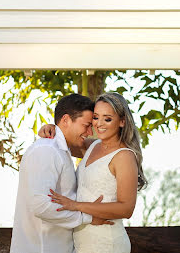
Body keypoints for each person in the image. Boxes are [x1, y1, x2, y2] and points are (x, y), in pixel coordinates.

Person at [39, 92, 147, 253]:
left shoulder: (124, 156)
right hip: (82, 242)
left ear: (122, 121)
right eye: (96, 117)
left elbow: (126, 209)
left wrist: (75, 206)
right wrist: (53, 127)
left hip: (107, 243)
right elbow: (66, 138)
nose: (99, 124)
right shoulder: (92, 146)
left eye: (107, 118)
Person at [10, 93, 112, 253]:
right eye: (86, 125)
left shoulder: (60, 150)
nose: (89, 131)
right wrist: (88, 218)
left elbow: (101, 148)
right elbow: (41, 206)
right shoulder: (47, 150)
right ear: (66, 120)